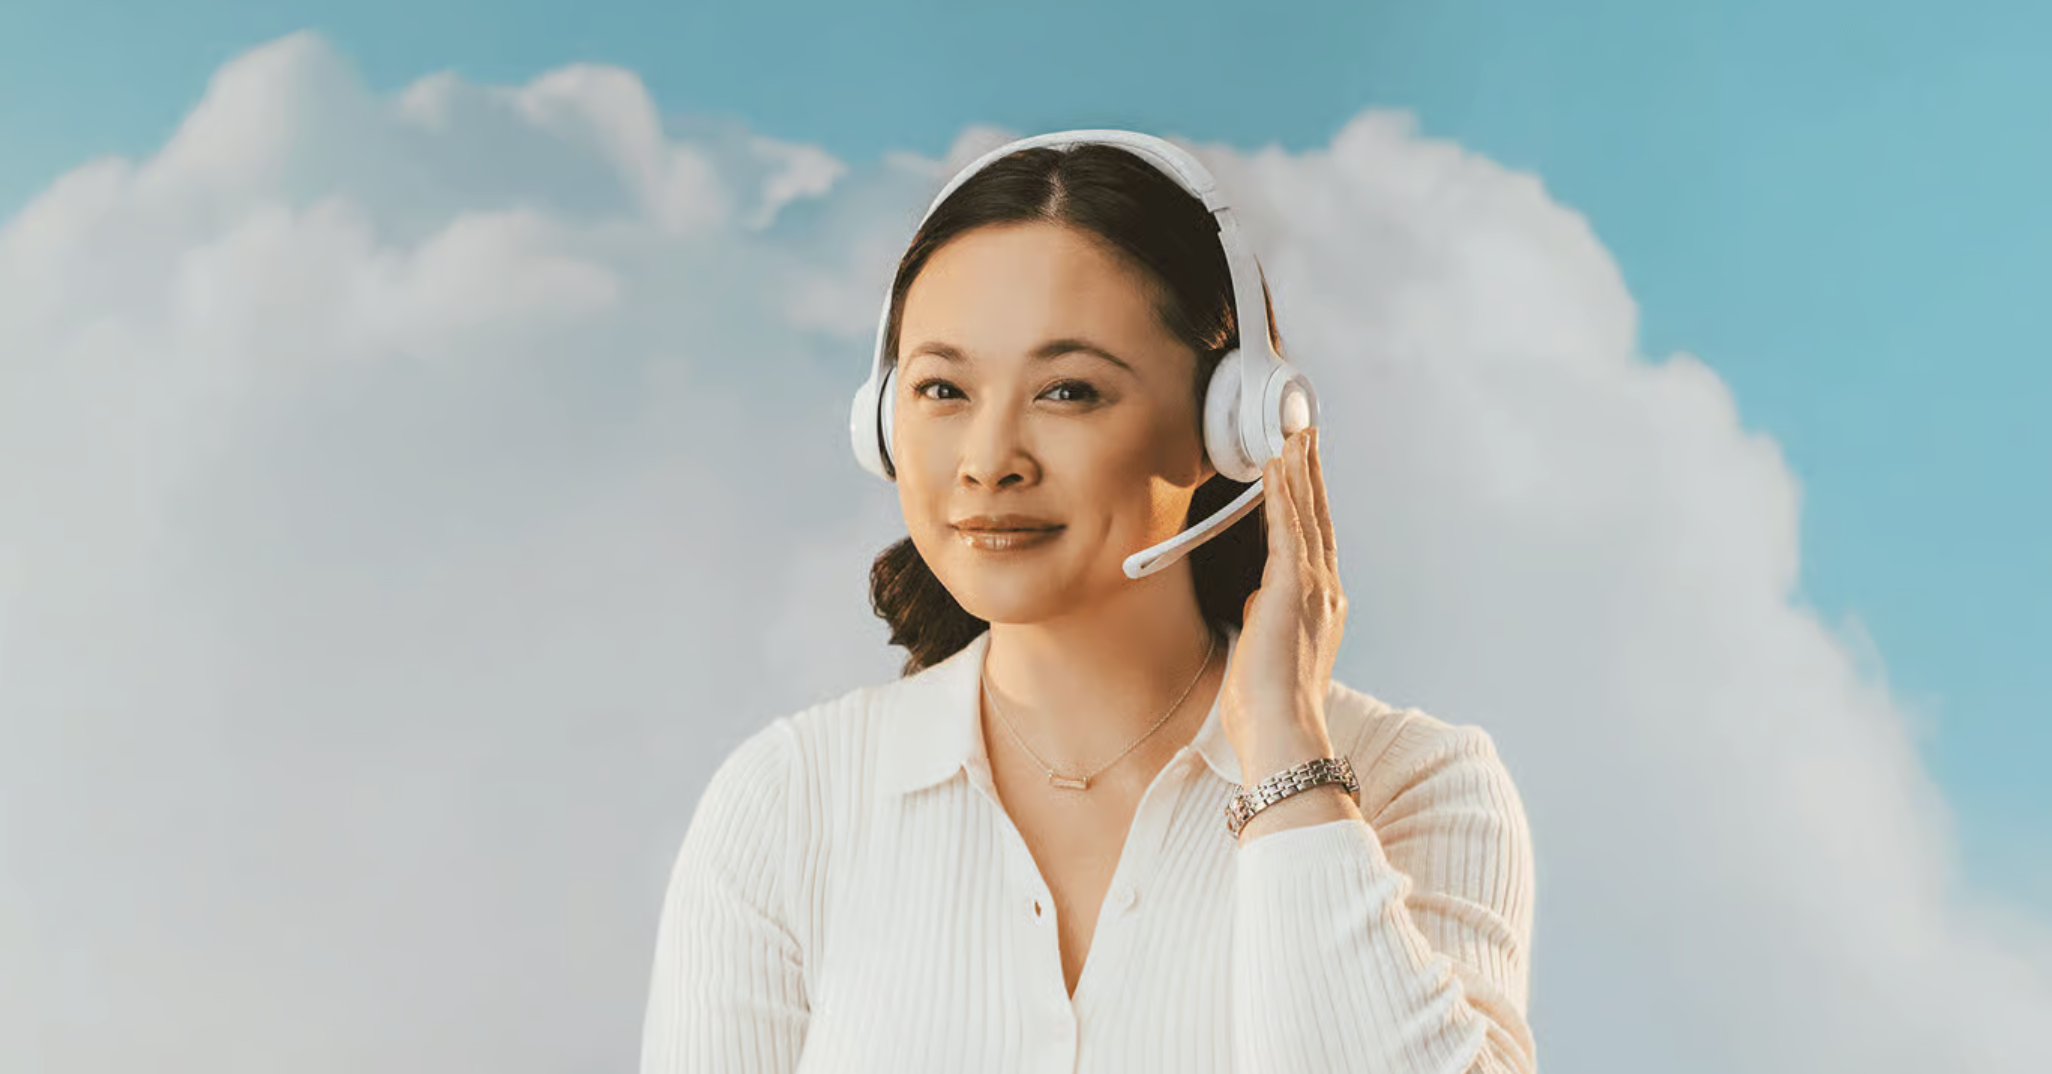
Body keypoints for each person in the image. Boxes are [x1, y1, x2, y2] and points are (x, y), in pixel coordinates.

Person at [639, 132, 1538, 1073]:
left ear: (1232, 426)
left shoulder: (1418, 786)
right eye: (942, 388)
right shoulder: (788, 803)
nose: (990, 459)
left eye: (1068, 391)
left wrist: (1286, 752)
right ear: (882, 423)